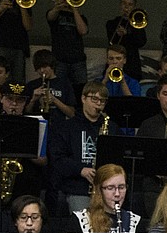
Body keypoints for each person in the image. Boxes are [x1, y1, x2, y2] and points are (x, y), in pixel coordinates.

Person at [47, 81, 118, 214]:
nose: (98, 104)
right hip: (77, 189)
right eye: (94, 99)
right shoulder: (66, 127)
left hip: (106, 189)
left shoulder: (111, 127)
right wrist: (81, 170)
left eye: (102, 101)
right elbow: (57, 159)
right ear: (83, 98)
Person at [69, 163, 141, 233]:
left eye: (121, 187)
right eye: (110, 188)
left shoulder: (133, 221)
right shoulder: (81, 220)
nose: (117, 194)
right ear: (99, 190)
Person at [46, 0, 88, 88]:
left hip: (78, 61)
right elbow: (50, 17)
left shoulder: (81, 16)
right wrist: (57, 8)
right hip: (59, 60)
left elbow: (83, 31)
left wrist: (74, 8)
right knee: (58, 89)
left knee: (80, 90)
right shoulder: (55, 13)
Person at [24, 50, 75, 120]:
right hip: (37, 125)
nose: (42, 70)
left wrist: (54, 100)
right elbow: (25, 114)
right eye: (38, 68)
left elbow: (72, 114)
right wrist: (33, 100)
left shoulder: (64, 84)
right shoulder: (31, 85)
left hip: (59, 126)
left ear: (52, 65)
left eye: (44, 66)